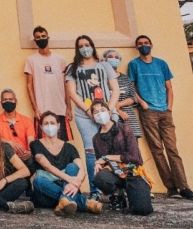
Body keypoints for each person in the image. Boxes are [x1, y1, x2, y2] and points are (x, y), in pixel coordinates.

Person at [128, 35, 193, 201]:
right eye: (140, 44)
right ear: (136, 47)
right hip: (148, 112)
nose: (143, 46)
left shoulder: (161, 64)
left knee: (172, 149)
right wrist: (143, 104)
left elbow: (169, 87)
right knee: (157, 150)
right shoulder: (134, 65)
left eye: (146, 43)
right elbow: (132, 88)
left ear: (151, 45)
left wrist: (169, 107)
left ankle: (184, 186)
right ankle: (171, 187)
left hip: (165, 111)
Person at [65, 34, 120, 198]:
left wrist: (109, 109)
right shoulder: (72, 68)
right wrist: (89, 111)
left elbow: (115, 89)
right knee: (90, 151)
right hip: (84, 115)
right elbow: (72, 93)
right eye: (81, 46)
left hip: (108, 113)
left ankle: (115, 189)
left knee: (115, 148)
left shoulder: (105, 66)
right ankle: (94, 190)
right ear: (77, 49)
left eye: (87, 44)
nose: (84, 48)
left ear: (92, 46)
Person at [30, 111, 102, 216]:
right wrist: (69, 179)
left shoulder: (69, 147)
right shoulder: (35, 144)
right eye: (46, 123)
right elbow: (47, 166)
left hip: (67, 187)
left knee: (73, 167)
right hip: (45, 192)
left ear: (58, 125)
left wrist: (76, 185)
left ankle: (65, 201)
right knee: (38, 180)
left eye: (52, 123)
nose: (49, 126)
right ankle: (85, 203)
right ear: (41, 127)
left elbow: (82, 170)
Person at [89, 99, 153, 215]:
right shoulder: (96, 139)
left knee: (142, 210)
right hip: (114, 174)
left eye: (102, 110)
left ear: (109, 112)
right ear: (93, 117)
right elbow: (102, 161)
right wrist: (98, 163)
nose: (100, 114)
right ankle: (117, 194)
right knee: (99, 177)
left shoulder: (125, 129)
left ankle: (134, 193)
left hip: (132, 172)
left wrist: (107, 157)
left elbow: (134, 157)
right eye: (96, 112)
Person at [24, 25, 72, 141]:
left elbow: (66, 85)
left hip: (60, 108)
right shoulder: (31, 60)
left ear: (48, 37)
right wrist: (35, 108)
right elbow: (29, 85)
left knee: (62, 143)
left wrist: (69, 107)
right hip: (42, 109)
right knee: (44, 144)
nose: (41, 39)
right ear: (35, 40)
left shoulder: (60, 59)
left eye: (43, 36)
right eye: (38, 37)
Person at [102, 49, 142, 138]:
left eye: (116, 57)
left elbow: (133, 97)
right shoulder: (102, 79)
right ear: (104, 60)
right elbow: (101, 99)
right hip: (110, 118)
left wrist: (119, 105)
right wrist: (118, 111)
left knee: (133, 149)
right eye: (110, 57)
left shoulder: (125, 78)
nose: (113, 59)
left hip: (128, 119)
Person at [0, 89, 35, 165]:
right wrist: (10, 142)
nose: (8, 101)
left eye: (11, 99)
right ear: (1, 102)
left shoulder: (27, 121)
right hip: (6, 159)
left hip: (24, 158)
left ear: (16, 101)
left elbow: (31, 140)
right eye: (5, 99)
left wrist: (29, 152)